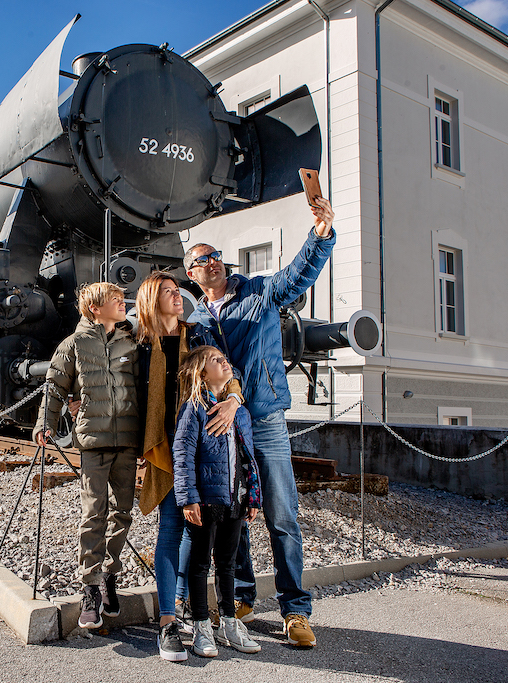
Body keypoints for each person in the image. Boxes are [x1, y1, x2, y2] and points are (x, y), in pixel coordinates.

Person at [184, 195, 335, 648]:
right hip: (225, 424)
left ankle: (295, 610)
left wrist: (321, 236)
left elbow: (297, 275)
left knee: (282, 515)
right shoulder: (197, 319)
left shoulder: (259, 292)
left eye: (215, 255)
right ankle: (243, 597)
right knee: (236, 514)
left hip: (264, 418)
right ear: (191, 274)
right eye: (201, 259)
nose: (211, 262)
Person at [133, 272, 245, 661]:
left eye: (177, 290)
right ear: (151, 300)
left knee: (193, 530)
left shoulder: (196, 335)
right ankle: (167, 622)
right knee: (171, 528)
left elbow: (228, 373)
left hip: (202, 442)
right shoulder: (138, 344)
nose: (177, 295)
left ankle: (183, 603)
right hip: (166, 447)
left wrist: (233, 401)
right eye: (167, 292)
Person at [34, 282, 138, 630]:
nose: (122, 304)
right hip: (93, 441)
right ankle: (90, 587)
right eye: (115, 300)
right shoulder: (74, 344)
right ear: (95, 307)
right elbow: (54, 385)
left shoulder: (129, 342)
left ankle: (109, 576)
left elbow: (141, 386)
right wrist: (45, 424)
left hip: (127, 440)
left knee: (122, 513)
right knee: (94, 512)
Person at [173, 346, 262, 658]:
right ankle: (201, 625)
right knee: (199, 564)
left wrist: (253, 497)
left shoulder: (240, 413)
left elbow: (249, 458)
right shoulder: (193, 409)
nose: (225, 362)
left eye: (225, 358)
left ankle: (229, 623)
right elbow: (183, 455)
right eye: (216, 360)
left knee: (227, 563)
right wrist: (188, 499)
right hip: (206, 501)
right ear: (201, 373)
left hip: (234, 500)